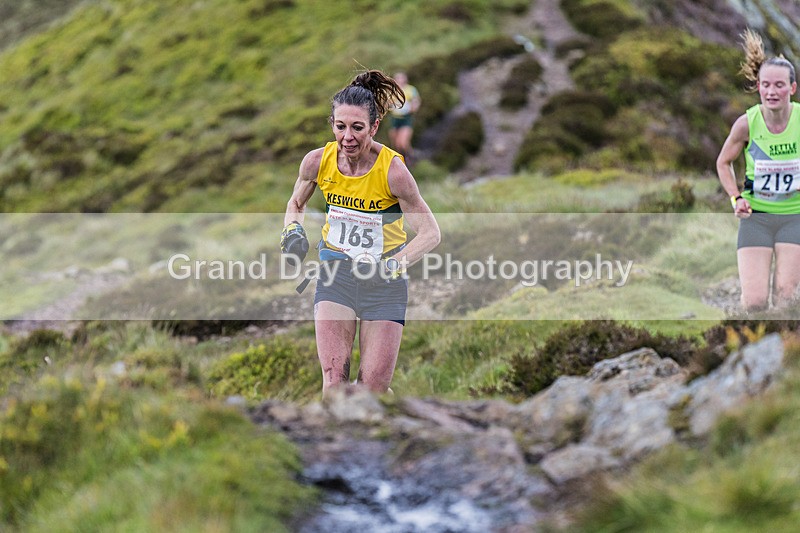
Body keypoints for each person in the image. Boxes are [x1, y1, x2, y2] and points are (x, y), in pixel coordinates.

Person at [282, 69, 440, 397]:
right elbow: (295, 202)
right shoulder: (317, 162)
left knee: (374, 392)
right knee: (334, 385)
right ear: (332, 125)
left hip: (384, 285)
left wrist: (393, 264)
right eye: (340, 127)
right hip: (336, 274)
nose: (348, 137)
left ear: (374, 127)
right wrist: (292, 232)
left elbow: (430, 232)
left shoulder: (393, 171)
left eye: (357, 128)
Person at [716, 29, 800, 312]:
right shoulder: (746, 123)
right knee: (754, 302)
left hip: (794, 217)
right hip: (756, 218)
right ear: (758, 86)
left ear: (792, 88)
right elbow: (723, 162)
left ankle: (786, 353)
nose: (771, 91)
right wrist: (735, 198)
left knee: (786, 296)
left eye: (779, 85)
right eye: (766, 85)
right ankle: (749, 349)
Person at [387, 72, 421, 160]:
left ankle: (410, 159)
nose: (400, 80)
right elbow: (387, 103)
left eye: (401, 78)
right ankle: (403, 160)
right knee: (396, 144)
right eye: (397, 78)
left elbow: (416, 101)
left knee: (402, 142)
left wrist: (413, 107)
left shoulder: (410, 89)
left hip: (406, 118)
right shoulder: (392, 90)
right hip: (394, 119)